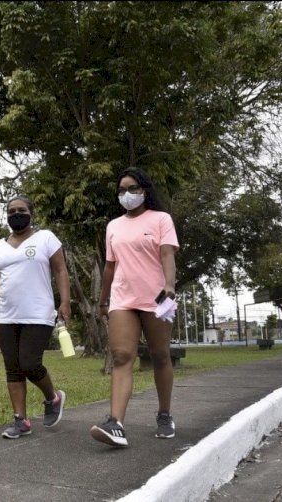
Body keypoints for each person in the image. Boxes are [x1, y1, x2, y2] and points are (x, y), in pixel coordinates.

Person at [90, 167, 179, 447]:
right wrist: (103, 300)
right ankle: (116, 424)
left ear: (145, 190)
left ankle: (164, 414)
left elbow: (167, 254)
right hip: (122, 299)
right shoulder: (113, 226)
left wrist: (169, 286)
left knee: (160, 355)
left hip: (155, 299)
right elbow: (109, 266)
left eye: (132, 188)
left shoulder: (161, 219)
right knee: (121, 356)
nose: (126, 194)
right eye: (121, 190)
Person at [0, 196, 72, 439]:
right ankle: (21, 420)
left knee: (29, 363)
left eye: (21, 210)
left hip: (39, 313)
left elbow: (60, 269)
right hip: (7, 315)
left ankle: (53, 397)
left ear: (31, 213)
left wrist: (65, 301)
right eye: (11, 211)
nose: (16, 214)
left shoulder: (46, 238)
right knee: (13, 369)